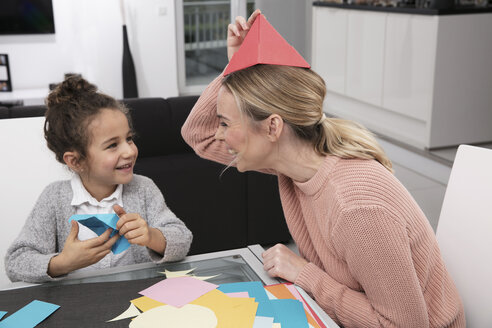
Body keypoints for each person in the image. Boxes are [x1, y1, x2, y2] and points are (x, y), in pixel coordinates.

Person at [181, 10, 465, 328]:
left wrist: (306, 274)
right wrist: (235, 68)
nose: (218, 133)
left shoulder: (355, 206)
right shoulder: (293, 165)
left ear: (273, 127)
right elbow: (198, 135)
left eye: (225, 123)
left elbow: (405, 326)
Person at [5, 76, 192, 283]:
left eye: (128, 138)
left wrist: (151, 236)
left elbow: (182, 239)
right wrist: (62, 263)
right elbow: (15, 262)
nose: (129, 151)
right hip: (79, 305)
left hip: (138, 298)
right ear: (75, 161)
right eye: (113, 145)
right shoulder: (54, 198)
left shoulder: (143, 189)